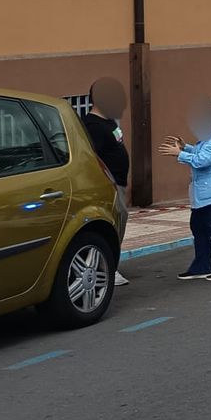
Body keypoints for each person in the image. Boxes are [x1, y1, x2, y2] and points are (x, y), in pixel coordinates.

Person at [162, 102, 211, 282]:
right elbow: (202, 153)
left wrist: (179, 153)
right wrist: (186, 148)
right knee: (198, 225)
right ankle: (201, 266)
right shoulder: (209, 134)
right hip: (209, 191)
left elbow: (203, 161)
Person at [82, 94, 131, 286]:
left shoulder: (109, 121)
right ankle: (107, 268)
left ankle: (109, 263)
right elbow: (93, 156)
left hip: (119, 182)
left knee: (120, 221)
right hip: (108, 184)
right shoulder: (92, 126)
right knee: (113, 224)